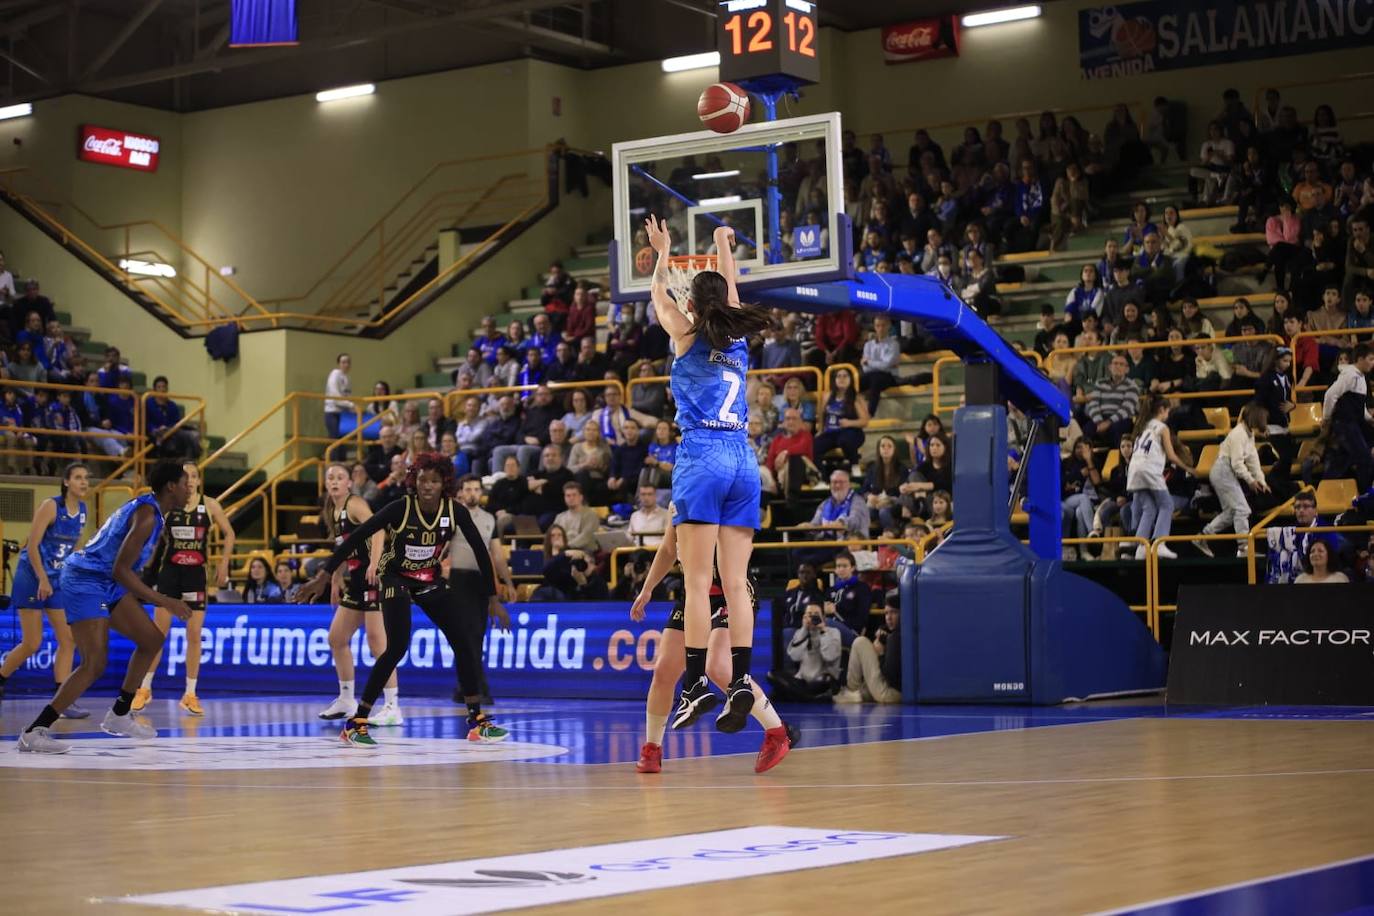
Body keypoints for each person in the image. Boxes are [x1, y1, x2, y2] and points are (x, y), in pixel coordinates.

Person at [643, 214, 790, 772]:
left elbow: (658, 291)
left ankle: (702, 682)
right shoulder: (740, 342)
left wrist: (663, 251)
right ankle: (745, 680)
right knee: (735, 583)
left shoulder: (683, 334)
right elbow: (730, 293)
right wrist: (722, 246)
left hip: (702, 455)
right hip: (743, 459)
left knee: (699, 583)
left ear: (693, 307)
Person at [295, 454, 509, 746]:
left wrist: (492, 598)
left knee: (464, 640)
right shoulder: (400, 508)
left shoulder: (455, 511)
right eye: (422, 480)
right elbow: (358, 536)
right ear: (414, 481)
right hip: (395, 578)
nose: (427, 486)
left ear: (444, 483)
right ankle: (357, 722)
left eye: (434, 481)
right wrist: (325, 573)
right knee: (395, 647)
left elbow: (481, 553)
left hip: (428, 579)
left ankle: (477, 721)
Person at [16, 461, 193, 753]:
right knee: (94, 663)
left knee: (151, 640)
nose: (190, 488)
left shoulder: (151, 511)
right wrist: (165, 600)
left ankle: (120, 714)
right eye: (186, 483)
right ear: (171, 487)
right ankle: (35, 730)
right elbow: (121, 571)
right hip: (86, 579)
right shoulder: (147, 515)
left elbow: (121, 571)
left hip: (105, 580)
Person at [628, 520, 797, 772]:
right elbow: (666, 550)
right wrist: (647, 589)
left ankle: (777, 732)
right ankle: (652, 749)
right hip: (695, 593)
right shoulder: (681, 499)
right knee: (664, 670)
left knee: (718, 666)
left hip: (731, 591)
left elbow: (744, 545)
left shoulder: (722, 495)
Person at [134, 462, 235, 717]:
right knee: (157, 634)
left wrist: (224, 564)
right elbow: (151, 536)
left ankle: (190, 693)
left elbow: (229, 533)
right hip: (169, 575)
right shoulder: (169, 505)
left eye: (193, 476)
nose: (189, 480)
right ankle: (144, 688)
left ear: (199, 481)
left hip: (195, 576)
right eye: (184, 476)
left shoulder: (210, 505)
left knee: (194, 634)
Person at [0, 463, 89, 716]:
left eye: (86, 478)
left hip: (57, 579)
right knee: (32, 642)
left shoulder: (82, 510)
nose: (84, 482)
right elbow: (33, 545)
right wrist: (42, 579)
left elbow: (73, 550)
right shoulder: (51, 506)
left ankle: (62, 700)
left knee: (68, 639)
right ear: (66, 482)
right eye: (78, 478)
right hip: (33, 576)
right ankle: (1, 678)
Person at [450, 474, 516, 705]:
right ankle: (477, 688)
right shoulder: (453, 516)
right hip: (458, 579)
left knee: (477, 635)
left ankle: (465, 686)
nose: (472, 494)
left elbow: (497, 555)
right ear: (460, 492)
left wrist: (507, 582)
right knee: (465, 635)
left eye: (476, 489)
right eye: (468, 489)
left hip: (480, 580)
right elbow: (440, 549)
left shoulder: (489, 519)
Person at [1195, 404, 1270, 556]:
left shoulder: (1249, 435)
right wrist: (1250, 481)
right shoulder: (1238, 434)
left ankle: (1202, 537)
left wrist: (1262, 481)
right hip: (1223, 471)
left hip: (1227, 472)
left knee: (1231, 512)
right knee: (1242, 509)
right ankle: (1243, 549)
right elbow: (1237, 463)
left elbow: (1253, 460)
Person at [1127, 395, 1195, 560]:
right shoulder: (1162, 428)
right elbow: (1171, 456)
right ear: (1162, 410)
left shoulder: (1142, 427)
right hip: (1149, 470)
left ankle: (1141, 548)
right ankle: (1160, 543)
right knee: (1167, 504)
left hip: (1134, 470)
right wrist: (1188, 468)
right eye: (1168, 411)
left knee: (1149, 508)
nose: (1168, 414)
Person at [1322, 343, 1374, 491]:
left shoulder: (1361, 377)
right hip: (1345, 423)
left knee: (1341, 460)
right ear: (1360, 359)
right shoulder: (1350, 374)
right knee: (1365, 460)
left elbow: (1359, 404)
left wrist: (1369, 418)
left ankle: (1325, 491)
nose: (1372, 363)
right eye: (1370, 359)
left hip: (1353, 423)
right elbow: (1331, 394)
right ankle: (1366, 495)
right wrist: (1326, 418)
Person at [833, 597, 902, 704]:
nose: (889, 617)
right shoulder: (901, 633)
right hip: (892, 692)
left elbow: (891, 677)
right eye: (886, 613)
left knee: (860, 642)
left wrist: (881, 654)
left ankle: (852, 690)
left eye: (894, 612)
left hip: (889, 694)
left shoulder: (895, 638)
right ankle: (856, 693)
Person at [323, 353, 353, 441]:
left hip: (344, 413)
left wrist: (352, 408)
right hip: (333, 412)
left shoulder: (348, 378)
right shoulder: (335, 374)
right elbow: (336, 397)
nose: (346, 365)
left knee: (343, 441)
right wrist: (351, 405)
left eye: (348, 362)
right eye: (343, 362)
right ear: (339, 364)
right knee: (335, 440)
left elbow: (348, 396)